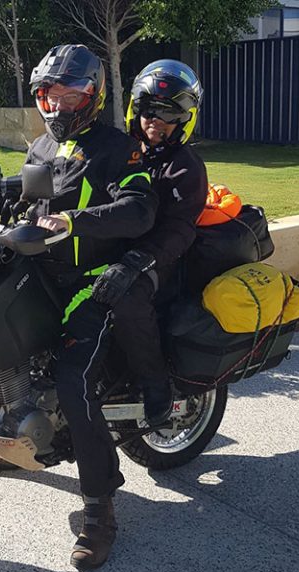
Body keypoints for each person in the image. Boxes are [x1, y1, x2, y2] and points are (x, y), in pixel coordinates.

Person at [0, 44, 157, 571]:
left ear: (94, 95)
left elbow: (140, 208)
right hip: (40, 273)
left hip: (92, 283)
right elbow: (25, 193)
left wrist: (75, 222)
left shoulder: (118, 148)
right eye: (48, 96)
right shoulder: (43, 144)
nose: (58, 106)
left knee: (72, 380)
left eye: (70, 96)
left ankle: (100, 510)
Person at [92, 59, 207, 425]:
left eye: (168, 114)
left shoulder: (185, 167)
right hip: (114, 246)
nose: (155, 120)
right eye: (148, 110)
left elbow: (180, 230)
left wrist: (135, 263)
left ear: (184, 120)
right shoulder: (120, 149)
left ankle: (156, 385)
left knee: (127, 297)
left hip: (161, 258)